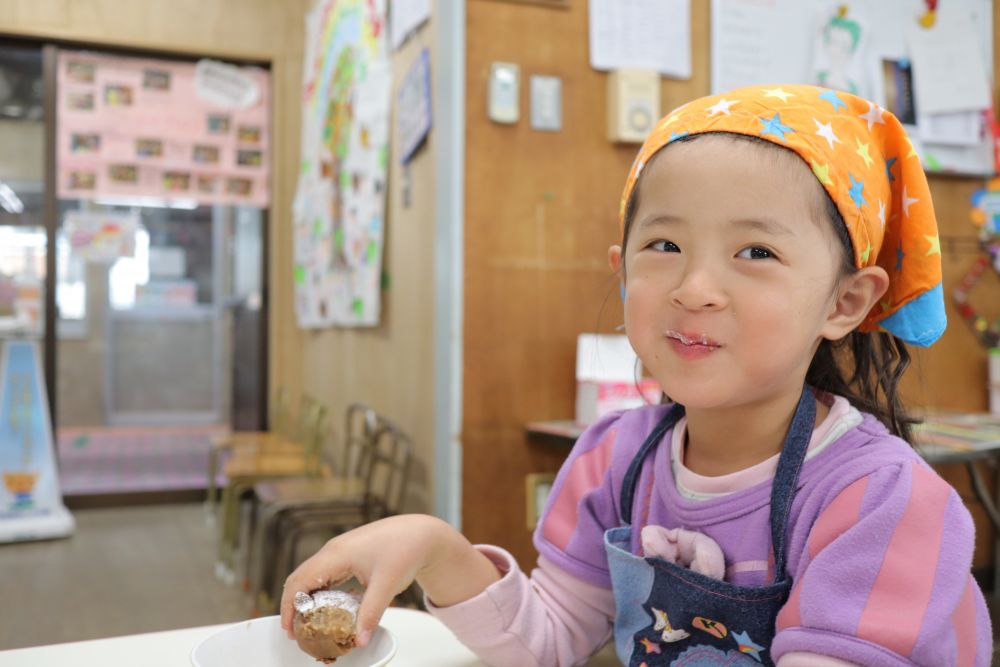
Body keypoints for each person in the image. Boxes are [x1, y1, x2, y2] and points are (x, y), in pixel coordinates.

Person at [281, 84, 993, 666]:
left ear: (844, 301)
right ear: (622, 271)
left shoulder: (879, 499)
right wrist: (436, 548)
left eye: (754, 251)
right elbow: (550, 638)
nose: (695, 286)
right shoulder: (610, 463)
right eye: (664, 243)